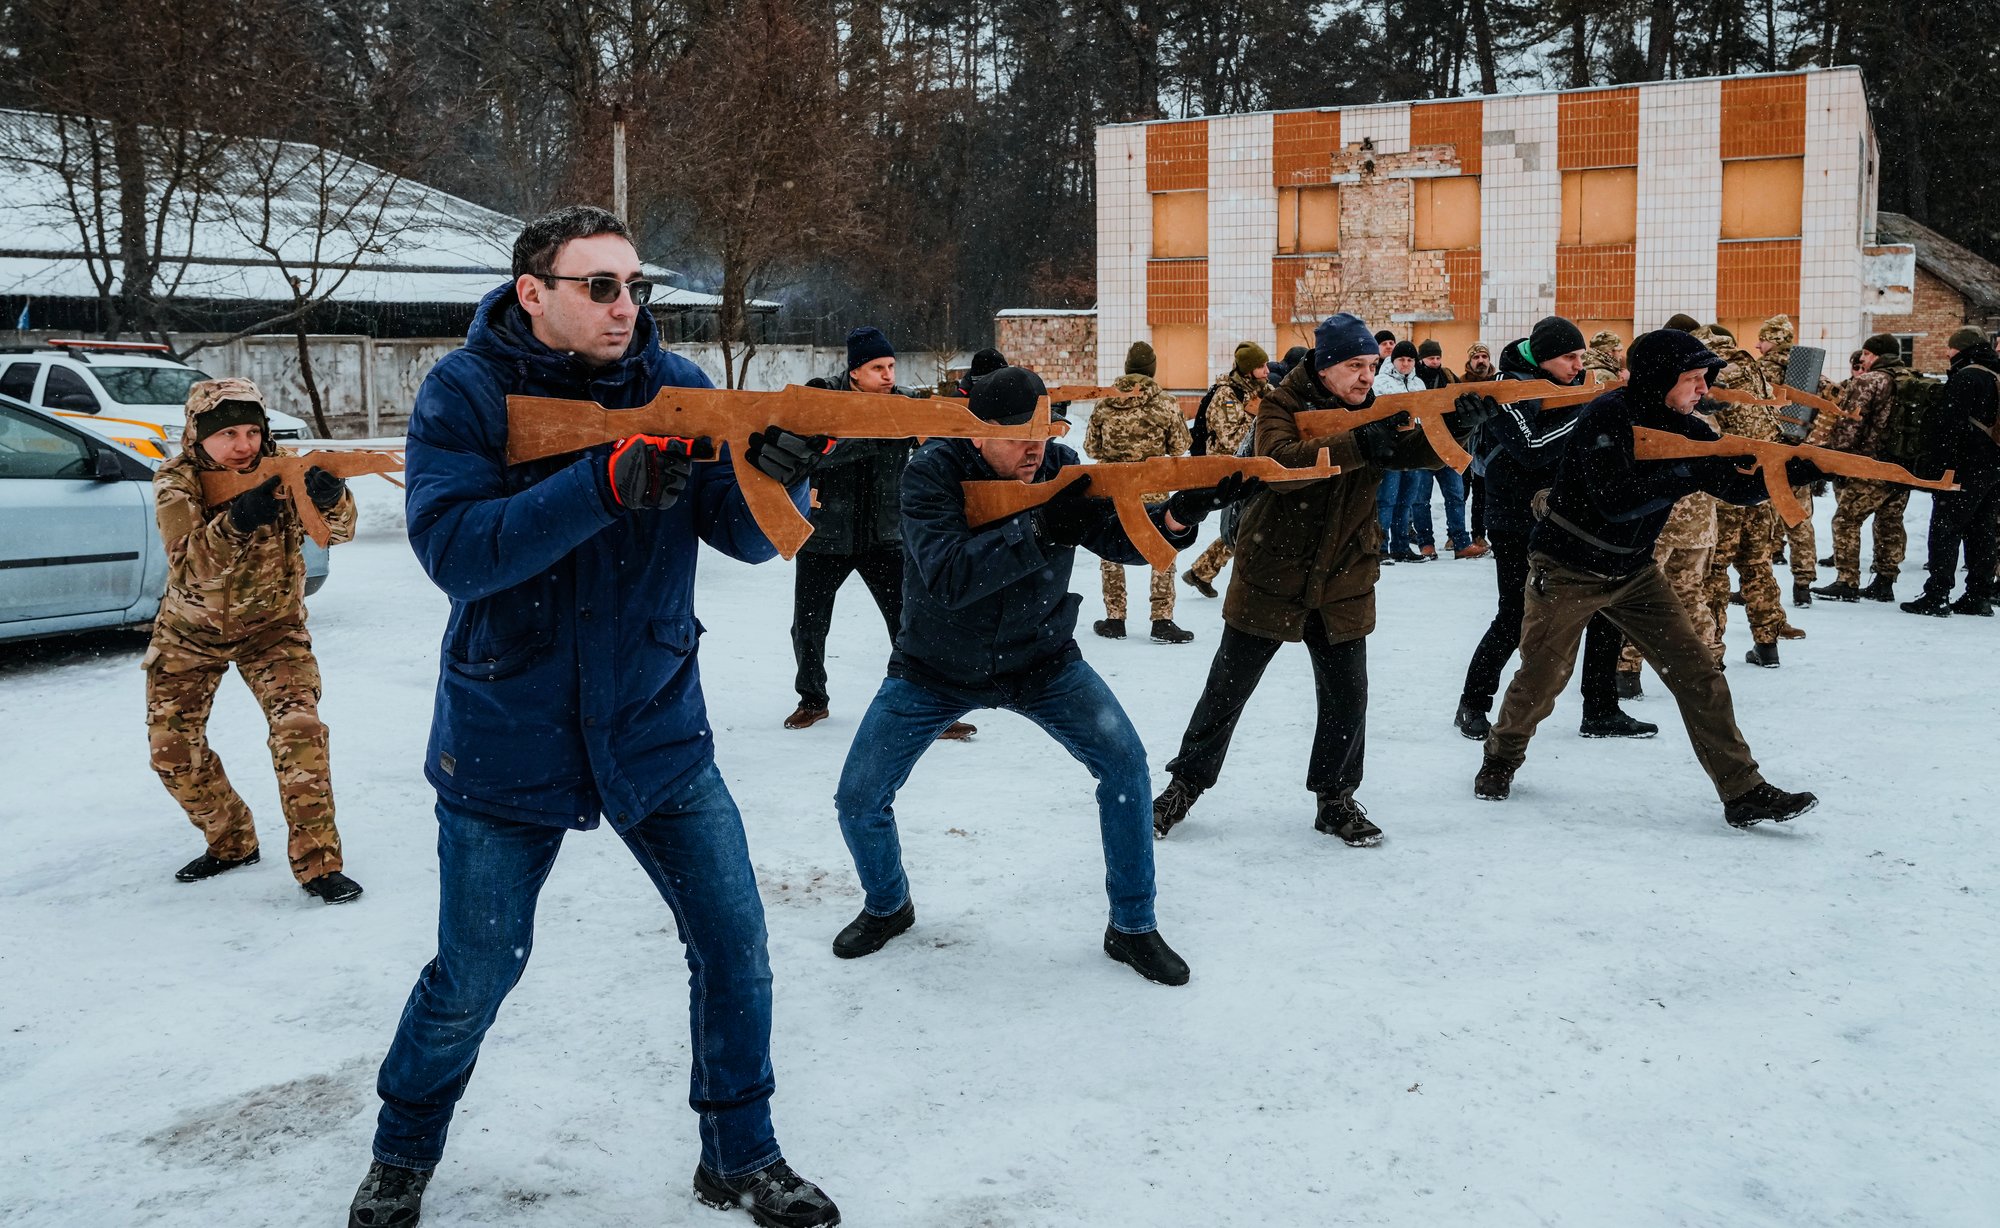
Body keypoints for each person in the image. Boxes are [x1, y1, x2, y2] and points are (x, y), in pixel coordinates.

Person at [349, 206, 840, 1228]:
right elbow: (455, 552)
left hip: (654, 721)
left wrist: (777, 467)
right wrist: (602, 481)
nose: (626, 307)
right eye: (600, 287)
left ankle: (739, 1154)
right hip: (506, 732)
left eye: (635, 287)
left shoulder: (683, 389)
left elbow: (744, 542)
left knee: (734, 941)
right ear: (535, 292)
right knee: (477, 969)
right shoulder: (466, 392)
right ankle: (401, 1153)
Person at [828, 367, 1258, 986]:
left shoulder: (1060, 467)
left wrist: (1177, 518)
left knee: (1125, 766)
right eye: (1018, 437)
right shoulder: (930, 473)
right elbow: (948, 577)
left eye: (1045, 430)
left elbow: (1122, 541)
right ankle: (888, 906)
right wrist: (1038, 527)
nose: (1036, 449)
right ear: (977, 433)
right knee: (859, 798)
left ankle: (1132, 926)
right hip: (934, 667)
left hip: (1043, 662)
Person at [1150, 313, 1494, 848]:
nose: (1365, 377)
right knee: (1227, 689)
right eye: (1355, 366)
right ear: (1326, 366)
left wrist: (1463, 424)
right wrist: (1363, 442)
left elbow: (1417, 454)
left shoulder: (1377, 408)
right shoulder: (1280, 405)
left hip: (1344, 575)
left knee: (1346, 697)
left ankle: (1335, 799)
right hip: (1274, 570)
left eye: (1372, 366)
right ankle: (1184, 785)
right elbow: (1283, 465)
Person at [1473, 327, 1821, 831]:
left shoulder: (1690, 426)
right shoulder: (1605, 415)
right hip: (1568, 567)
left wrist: (1786, 474)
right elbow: (1618, 500)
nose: (1704, 390)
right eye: (1694, 379)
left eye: (1705, 379)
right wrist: (1691, 473)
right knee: (1543, 679)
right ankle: (1501, 757)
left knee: (1698, 675)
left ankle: (1742, 790)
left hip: (1633, 570)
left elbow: (1729, 484)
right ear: (1661, 378)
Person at [146, 377, 361, 904]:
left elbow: (340, 531)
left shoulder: (284, 466)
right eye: (228, 435)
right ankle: (232, 840)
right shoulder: (177, 482)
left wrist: (332, 500)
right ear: (197, 437)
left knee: (300, 730)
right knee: (172, 750)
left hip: (273, 630)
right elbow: (191, 568)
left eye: (251, 430)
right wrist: (238, 520)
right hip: (190, 632)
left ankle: (319, 865)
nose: (243, 445)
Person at [1453, 315, 1654, 742]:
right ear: (1543, 359)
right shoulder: (1507, 387)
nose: (1578, 366)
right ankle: (1473, 703)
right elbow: (1531, 448)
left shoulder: (1570, 385)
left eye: (1581, 356)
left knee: (1604, 606)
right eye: (1569, 357)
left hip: (1569, 516)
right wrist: (1591, 415)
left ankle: (1600, 708)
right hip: (1514, 518)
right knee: (1514, 615)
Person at [785, 326, 975, 741]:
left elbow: (940, 444)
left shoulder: (905, 406)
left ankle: (929, 704)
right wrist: (875, 433)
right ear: (855, 373)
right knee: (810, 625)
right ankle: (812, 699)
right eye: (878, 368)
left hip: (885, 534)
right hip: (825, 534)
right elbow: (811, 458)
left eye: (891, 366)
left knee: (909, 622)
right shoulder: (823, 399)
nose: (888, 375)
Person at [1695, 325, 1797, 668]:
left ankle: (1713, 652)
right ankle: (1767, 645)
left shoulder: (1716, 374)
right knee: (1756, 564)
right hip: (1764, 483)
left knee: (1715, 569)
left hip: (1729, 486)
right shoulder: (1756, 371)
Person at [1087, 341, 1195, 642]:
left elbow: (1091, 447)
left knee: (1110, 551)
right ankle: (1162, 620)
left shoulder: (1105, 403)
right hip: (1153, 492)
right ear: (1152, 369)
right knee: (1163, 550)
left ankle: (1115, 618)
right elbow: (1180, 446)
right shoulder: (1165, 403)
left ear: (1126, 368)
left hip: (1113, 491)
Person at [1901, 327, 2000, 617]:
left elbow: (1948, 426)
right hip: (1994, 467)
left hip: (1964, 466)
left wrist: (1937, 466)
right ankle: (1978, 595)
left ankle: (1937, 594)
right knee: (1983, 531)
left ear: (1961, 349)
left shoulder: (1966, 377)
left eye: (1950, 348)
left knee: (1945, 528)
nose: (1946, 352)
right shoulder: (1995, 375)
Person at [1813, 334, 1917, 603]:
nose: (1863, 361)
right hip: (1902, 466)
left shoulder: (1869, 381)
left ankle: (1847, 581)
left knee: (1846, 520)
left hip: (1869, 466)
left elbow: (1850, 427)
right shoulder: (1911, 380)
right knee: (1890, 521)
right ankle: (1885, 581)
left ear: (1873, 355)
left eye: (1866, 356)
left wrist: (1833, 457)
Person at [1184, 342, 1269, 598]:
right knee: (1244, 525)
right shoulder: (1226, 396)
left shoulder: (1263, 389)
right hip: (1229, 471)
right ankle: (1233, 581)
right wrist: (1258, 416)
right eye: (1261, 366)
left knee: (1247, 523)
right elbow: (1231, 440)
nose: (1267, 370)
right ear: (1247, 370)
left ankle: (1201, 572)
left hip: (1255, 466)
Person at [1373, 340, 1429, 562]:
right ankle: (1381, 546)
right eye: (1401, 359)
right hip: (1391, 450)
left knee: (1406, 500)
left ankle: (1401, 545)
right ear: (1392, 361)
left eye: (1409, 360)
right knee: (1387, 499)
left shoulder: (1419, 384)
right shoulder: (1380, 383)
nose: (1405, 364)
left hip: (1414, 451)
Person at [1417, 339, 1472, 555]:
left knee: (1456, 497)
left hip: (1447, 444)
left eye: (1438, 357)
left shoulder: (1448, 377)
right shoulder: (1415, 380)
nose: (1435, 362)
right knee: (1421, 500)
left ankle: (1461, 542)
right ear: (1422, 359)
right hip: (1421, 447)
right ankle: (1426, 544)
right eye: (1431, 358)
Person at [1459, 343, 1498, 558]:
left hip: (1488, 445)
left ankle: (1479, 534)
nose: (1481, 360)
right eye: (1477, 357)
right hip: (1465, 444)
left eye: (1484, 356)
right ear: (1470, 361)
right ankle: (1457, 534)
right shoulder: (1461, 383)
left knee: (1483, 494)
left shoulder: (1496, 381)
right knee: (1460, 491)